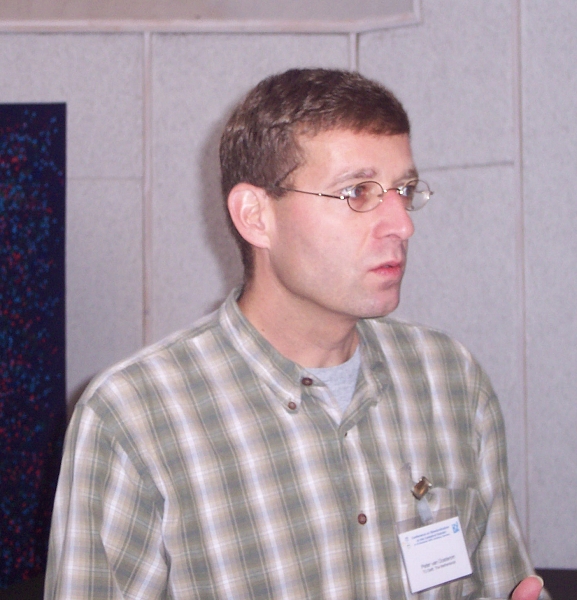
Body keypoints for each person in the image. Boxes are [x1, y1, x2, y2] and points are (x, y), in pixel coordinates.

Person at [45, 68, 548, 599]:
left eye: (403, 190)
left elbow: (503, 581)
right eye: (357, 192)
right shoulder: (134, 417)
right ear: (256, 216)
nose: (402, 225)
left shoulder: (449, 378)